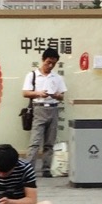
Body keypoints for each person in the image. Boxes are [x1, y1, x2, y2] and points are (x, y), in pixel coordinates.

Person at [22, 48, 68, 178]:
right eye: (48, 62)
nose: (50, 65)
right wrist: (38, 93)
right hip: (38, 108)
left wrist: (57, 95)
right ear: (43, 60)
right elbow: (25, 92)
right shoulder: (33, 75)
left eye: (53, 63)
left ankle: (46, 169)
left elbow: (62, 96)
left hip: (53, 108)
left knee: (49, 142)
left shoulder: (57, 78)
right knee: (35, 141)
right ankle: (28, 169)